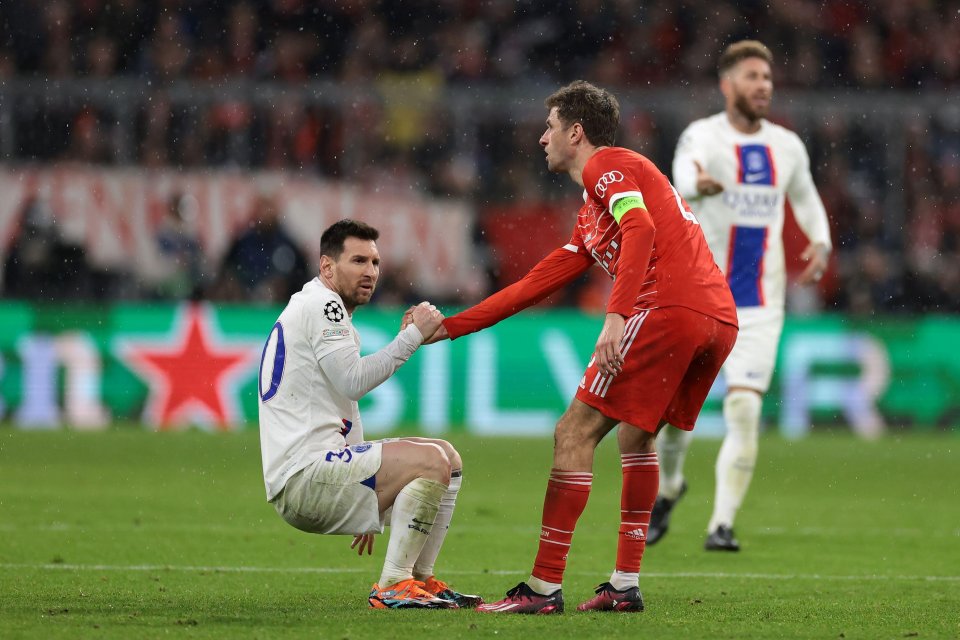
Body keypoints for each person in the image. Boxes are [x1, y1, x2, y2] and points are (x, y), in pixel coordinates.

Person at [418, 80, 739, 613]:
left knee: (573, 432)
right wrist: (452, 326)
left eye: (549, 127)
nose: (542, 138)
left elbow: (638, 228)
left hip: (666, 308)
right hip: (714, 319)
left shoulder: (605, 166)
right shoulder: (593, 209)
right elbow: (535, 285)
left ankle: (542, 588)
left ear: (576, 132)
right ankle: (624, 584)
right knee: (636, 440)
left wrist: (616, 315)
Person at [650, 40, 833, 552]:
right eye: (752, 77)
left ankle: (721, 524)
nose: (763, 86)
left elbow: (805, 198)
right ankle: (669, 486)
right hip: (701, 299)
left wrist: (820, 240)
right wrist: (698, 184)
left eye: (768, 79)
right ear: (727, 85)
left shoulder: (787, 146)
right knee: (673, 417)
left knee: (745, 409)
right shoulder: (701, 136)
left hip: (759, 304)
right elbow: (682, 175)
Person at [257, 219, 481, 609]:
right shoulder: (323, 305)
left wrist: (367, 484)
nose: (371, 272)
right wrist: (412, 337)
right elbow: (353, 382)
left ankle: (418, 579)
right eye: (358, 260)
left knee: (450, 458)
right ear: (327, 267)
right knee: (432, 461)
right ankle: (393, 583)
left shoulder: (318, 308)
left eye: (375, 262)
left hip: (313, 471)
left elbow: (343, 404)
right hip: (304, 477)